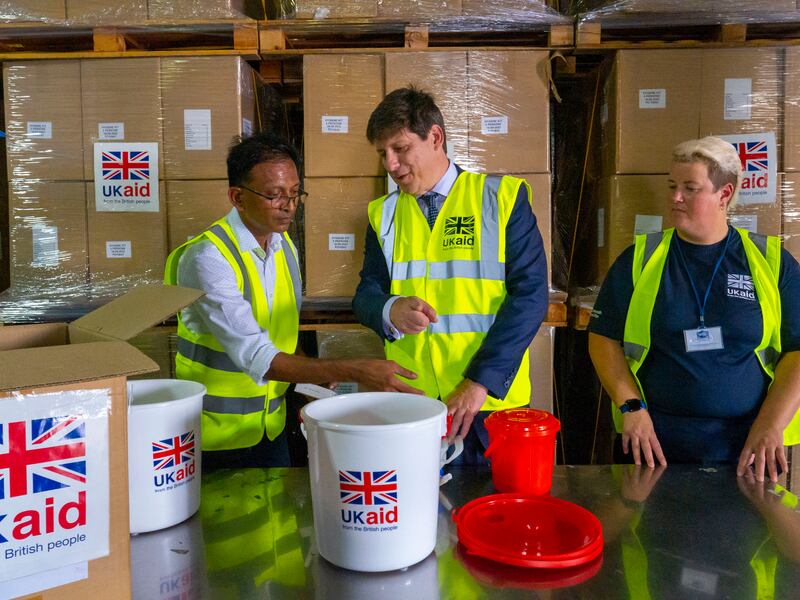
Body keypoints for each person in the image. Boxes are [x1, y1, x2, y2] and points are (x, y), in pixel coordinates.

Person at [164, 132, 419, 468]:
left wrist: (311, 373)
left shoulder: (283, 248)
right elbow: (257, 354)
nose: (288, 206)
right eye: (274, 196)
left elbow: (277, 333)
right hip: (214, 439)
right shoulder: (207, 259)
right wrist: (356, 369)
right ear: (237, 197)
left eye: (295, 194)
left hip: (271, 429)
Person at [352, 87, 549, 465]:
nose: (390, 165)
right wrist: (389, 309)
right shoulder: (383, 214)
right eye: (383, 154)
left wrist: (479, 382)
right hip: (415, 403)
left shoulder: (500, 199)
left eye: (400, 148)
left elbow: (531, 296)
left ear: (436, 137)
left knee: (495, 513)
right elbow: (366, 294)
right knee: (425, 516)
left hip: (490, 403)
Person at [588, 136, 800, 480]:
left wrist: (771, 424)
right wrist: (631, 406)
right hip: (652, 444)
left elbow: (797, 350)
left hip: (746, 448)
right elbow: (603, 338)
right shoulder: (641, 260)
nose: (675, 197)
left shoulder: (772, 263)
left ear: (725, 194)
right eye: (673, 185)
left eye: (690, 188)